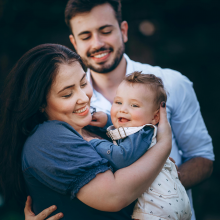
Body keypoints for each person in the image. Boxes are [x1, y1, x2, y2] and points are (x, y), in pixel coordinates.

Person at [25, 0, 214, 219]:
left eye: (105, 31)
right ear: (74, 43)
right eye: (85, 36)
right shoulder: (72, 104)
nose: (97, 43)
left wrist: (163, 184)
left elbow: (203, 159)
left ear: (123, 30)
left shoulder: (172, 84)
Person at [0, 44, 172, 220]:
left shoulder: (92, 124)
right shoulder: (47, 137)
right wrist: (164, 145)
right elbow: (113, 196)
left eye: (83, 83)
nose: (83, 97)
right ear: (41, 103)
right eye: (67, 94)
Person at [87, 71, 192, 220]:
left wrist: (93, 142)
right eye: (118, 102)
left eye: (134, 105)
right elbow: (127, 129)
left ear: (155, 117)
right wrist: (108, 120)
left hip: (157, 206)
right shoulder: (141, 132)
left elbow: (121, 157)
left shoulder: (143, 133)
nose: (123, 109)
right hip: (171, 200)